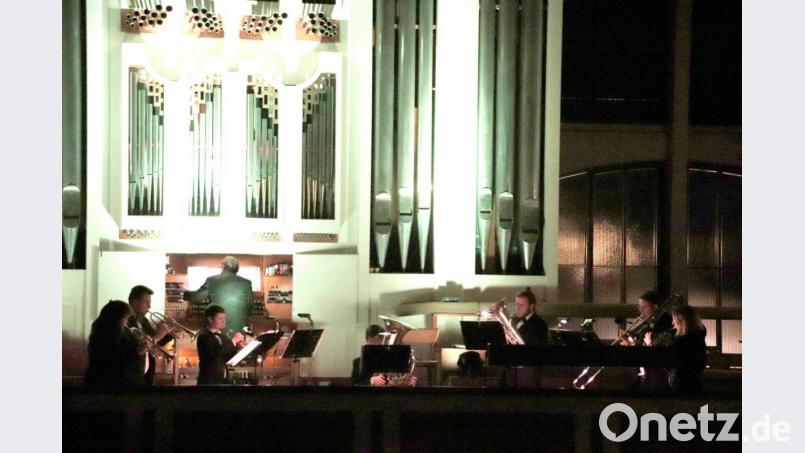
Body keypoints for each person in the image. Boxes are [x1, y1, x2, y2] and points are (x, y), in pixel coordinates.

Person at [85, 300, 152, 388]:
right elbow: (114, 364)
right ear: (115, 319)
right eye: (125, 319)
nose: (127, 323)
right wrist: (138, 351)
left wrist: (142, 344)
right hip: (110, 387)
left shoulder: (122, 334)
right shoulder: (102, 337)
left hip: (129, 384)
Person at [191, 256, 253, 333]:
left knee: (218, 344)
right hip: (238, 327)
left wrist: (184, 293)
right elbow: (250, 307)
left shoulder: (212, 280)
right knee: (236, 344)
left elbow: (197, 298)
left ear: (223, 266)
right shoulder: (246, 283)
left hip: (217, 326)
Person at [629, 291, 675, 391]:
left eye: (644, 307)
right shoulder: (648, 322)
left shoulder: (665, 323)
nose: (641, 311)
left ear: (655, 307)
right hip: (648, 371)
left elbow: (660, 346)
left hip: (660, 373)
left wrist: (647, 343)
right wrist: (632, 344)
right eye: (639, 307)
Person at [127, 285, 173, 386]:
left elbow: (157, 343)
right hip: (131, 378)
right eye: (146, 302)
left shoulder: (144, 321)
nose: (149, 306)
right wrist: (158, 335)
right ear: (135, 303)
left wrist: (169, 331)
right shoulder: (126, 323)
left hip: (146, 376)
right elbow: (132, 352)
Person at [196, 304, 245, 385]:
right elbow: (215, 354)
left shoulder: (224, 337)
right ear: (210, 319)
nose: (223, 321)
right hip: (209, 382)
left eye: (224, 318)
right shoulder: (203, 336)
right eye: (220, 318)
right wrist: (233, 341)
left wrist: (241, 349)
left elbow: (228, 357)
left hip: (224, 380)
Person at [669, 304, 707, 393]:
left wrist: (650, 344)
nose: (673, 323)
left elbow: (672, 360)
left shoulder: (683, 341)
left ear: (681, 320)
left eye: (674, 320)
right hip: (696, 381)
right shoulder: (699, 336)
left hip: (682, 382)